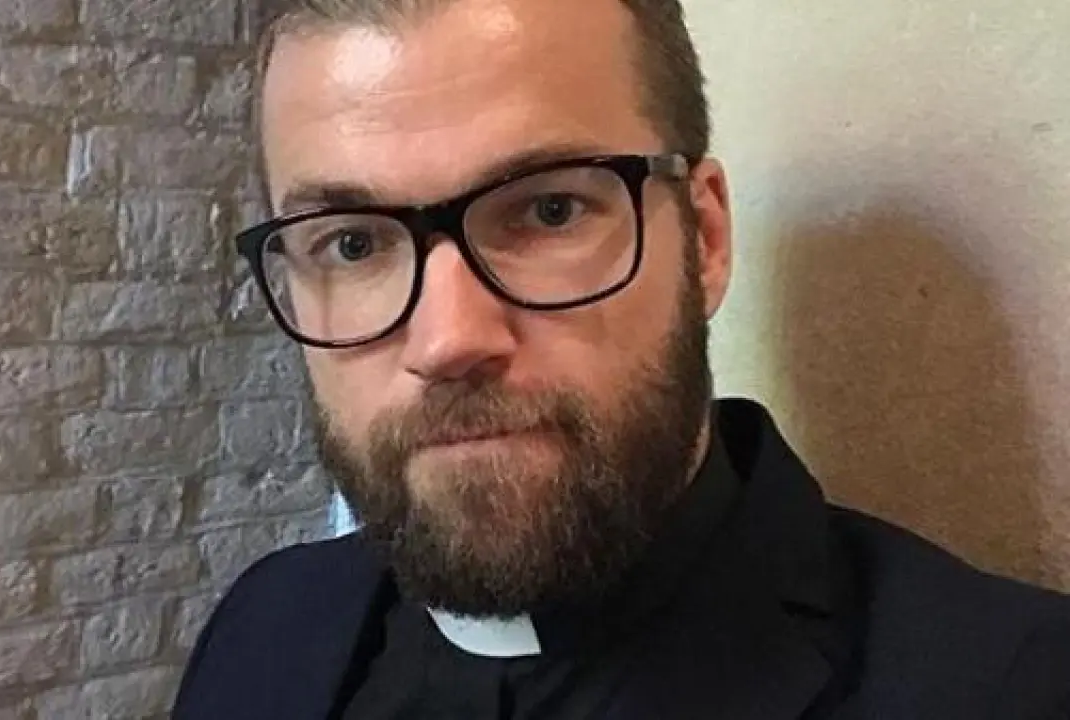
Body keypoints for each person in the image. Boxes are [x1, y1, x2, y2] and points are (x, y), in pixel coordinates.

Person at [172, 0, 1070, 717]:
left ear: (704, 238)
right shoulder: (262, 629)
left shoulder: (1010, 686)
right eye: (354, 244)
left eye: (549, 211)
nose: (448, 341)